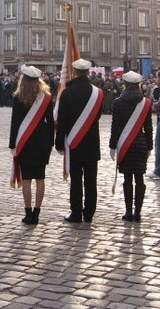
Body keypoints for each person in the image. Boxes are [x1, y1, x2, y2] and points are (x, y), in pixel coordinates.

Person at [55, 59, 104, 223]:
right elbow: (97, 117)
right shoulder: (97, 93)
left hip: (74, 142)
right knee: (91, 180)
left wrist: (59, 143)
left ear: (74, 72)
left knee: (76, 179)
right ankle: (89, 213)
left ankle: (76, 213)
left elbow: (62, 120)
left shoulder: (67, 93)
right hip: (91, 142)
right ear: (88, 72)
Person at [8, 65, 55, 225]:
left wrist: (12, 144)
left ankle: (28, 214)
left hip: (24, 141)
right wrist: (50, 142)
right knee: (40, 178)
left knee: (26, 179)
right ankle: (37, 212)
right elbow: (50, 123)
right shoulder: (46, 97)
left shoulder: (18, 97)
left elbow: (15, 123)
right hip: (42, 141)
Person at [109, 71, 153, 222]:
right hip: (141, 143)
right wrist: (149, 146)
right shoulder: (146, 102)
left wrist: (112, 146)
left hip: (125, 143)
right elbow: (148, 127)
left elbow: (115, 127)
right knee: (140, 179)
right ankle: (138, 213)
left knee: (127, 179)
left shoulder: (118, 102)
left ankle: (128, 212)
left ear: (125, 84)